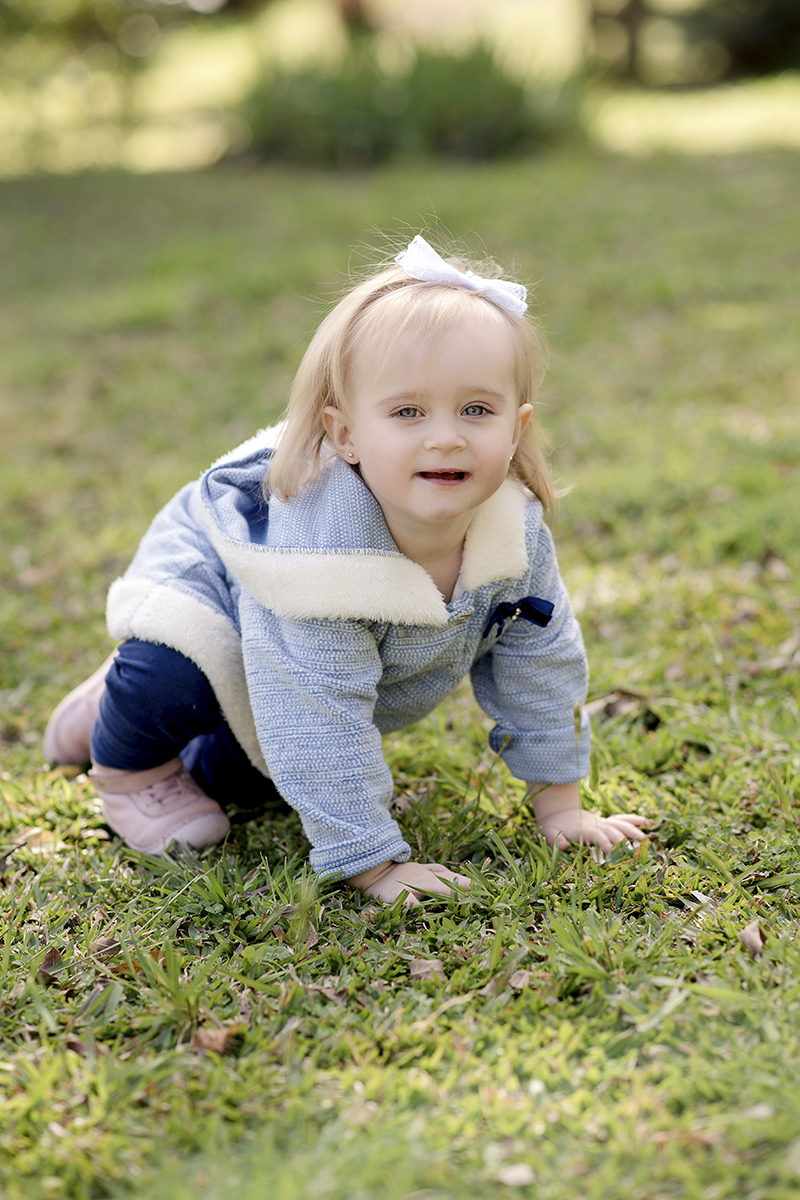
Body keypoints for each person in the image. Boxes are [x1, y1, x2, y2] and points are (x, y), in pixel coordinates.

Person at [44, 234, 647, 906]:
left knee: (251, 773)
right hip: (215, 583)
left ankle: (106, 710)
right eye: (408, 412)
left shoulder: (515, 539)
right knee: (177, 669)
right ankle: (129, 760)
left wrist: (560, 806)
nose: (445, 435)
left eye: (477, 409)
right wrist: (373, 864)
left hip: (287, 654)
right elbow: (316, 711)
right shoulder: (321, 561)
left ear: (518, 428)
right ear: (346, 435)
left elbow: (543, 664)